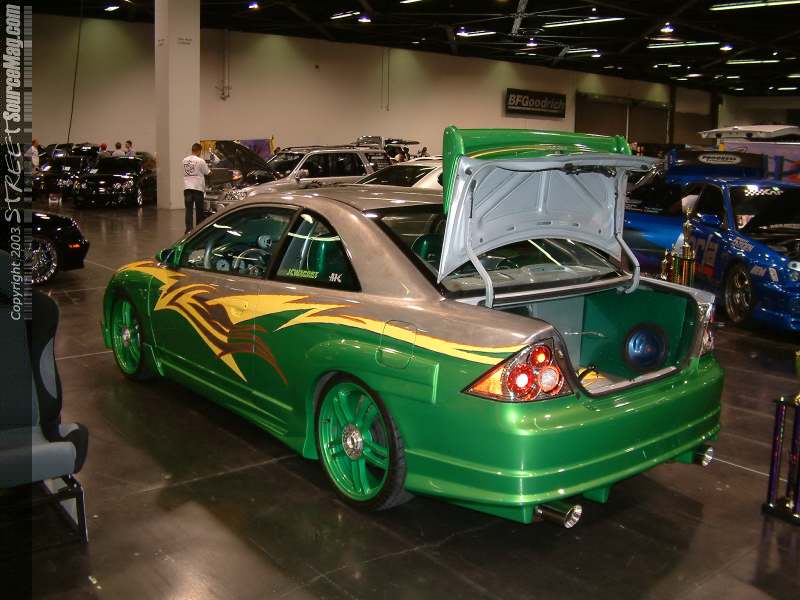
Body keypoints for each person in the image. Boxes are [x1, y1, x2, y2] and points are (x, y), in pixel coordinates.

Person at [183, 142, 210, 233]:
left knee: (189, 210)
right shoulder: (200, 161)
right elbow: (207, 172)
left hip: (187, 188)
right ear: (199, 151)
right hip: (198, 188)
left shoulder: (184, 160)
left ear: (192, 150)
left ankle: (188, 229)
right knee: (199, 209)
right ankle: (198, 229)